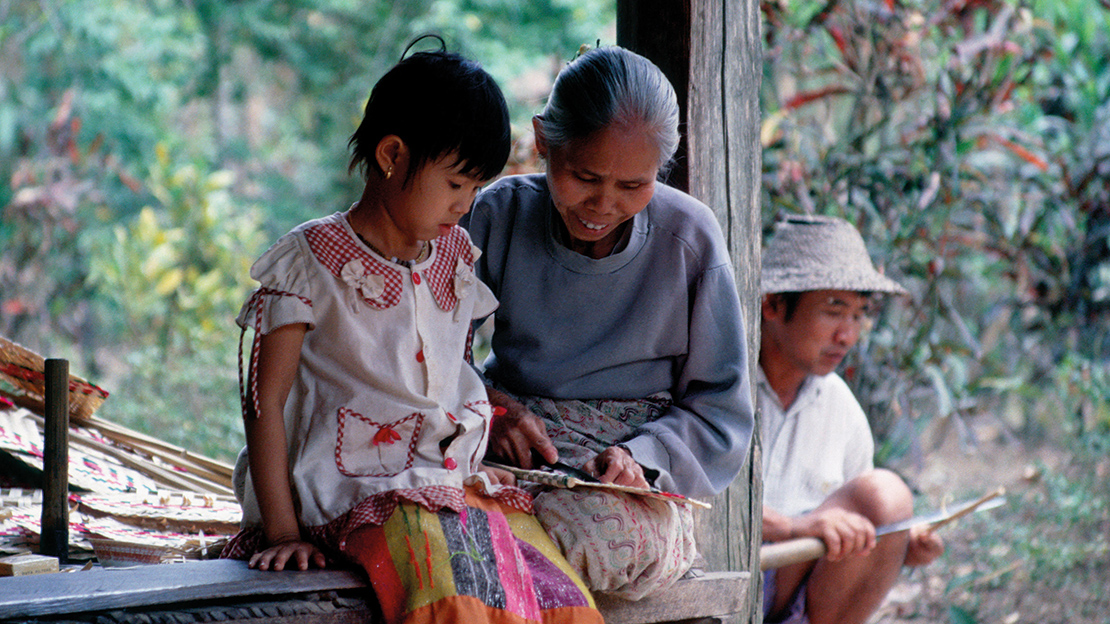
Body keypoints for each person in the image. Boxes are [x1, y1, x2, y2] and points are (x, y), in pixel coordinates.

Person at [221, 41, 603, 624]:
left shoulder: (454, 255)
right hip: (348, 496)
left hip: (442, 487)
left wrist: (472, 462)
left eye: (476, 188)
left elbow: (451, 378)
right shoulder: (308, 262)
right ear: (392, 154)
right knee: (458, 602)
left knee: (560, 598)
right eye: (455, 184)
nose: (466, 204)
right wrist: (281, 532)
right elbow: (263, 404)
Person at [462, 45, 754, 600]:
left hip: (625, 485)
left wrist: (640, 460)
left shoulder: (688, 238)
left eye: (632, 186)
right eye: (584, 176)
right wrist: (492, 410)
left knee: (594, 541)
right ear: (544, 141)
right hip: (508, 451)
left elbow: (720, 407)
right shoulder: (497, 215)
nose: (603, 205)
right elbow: (431, 351)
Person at [758, 214, 945, 624]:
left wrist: (898, 544)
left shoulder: (839, 406)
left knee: (888, 499)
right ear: (772, 303)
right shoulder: (719, 384)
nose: (847, 335)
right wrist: (793, 526)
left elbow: (862, 518)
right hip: (724, 574)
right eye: (833, 310)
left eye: (859, 315)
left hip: (793, 596)